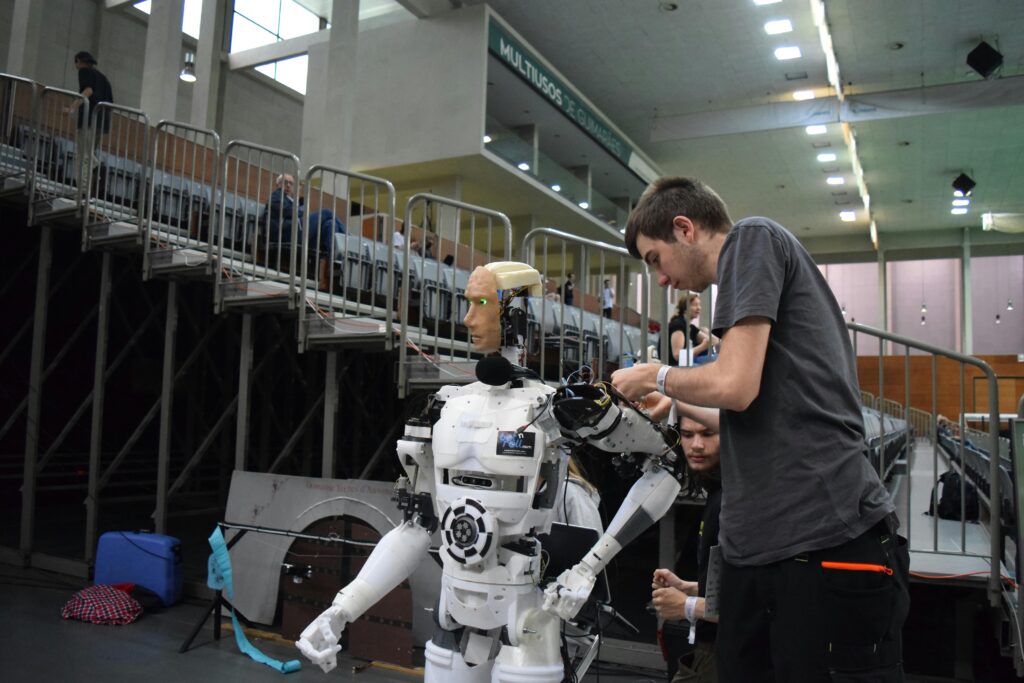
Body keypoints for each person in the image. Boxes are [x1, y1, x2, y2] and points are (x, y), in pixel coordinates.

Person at [611, 176, 908, 682]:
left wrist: (654, 374)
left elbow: (736, 386)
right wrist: (677, 403)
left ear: (684, 229)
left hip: (819, 541)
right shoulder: (748, 288)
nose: (659, 280)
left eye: (654, 259)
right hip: (768, 550)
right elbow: (756, 409)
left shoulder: (752, 238)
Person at [652, 407, 722, 683]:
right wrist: (691, 588)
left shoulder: (733, 503)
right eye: (688, 434)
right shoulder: (719, 495)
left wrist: (688, 605)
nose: (697, 445)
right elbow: (734, 582)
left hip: (728, 655)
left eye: (708, 433)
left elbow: (754, 604)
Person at [72, 51, 113, 186]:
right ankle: (85, 185)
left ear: (79, 61)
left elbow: (88, 91)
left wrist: (73, 107)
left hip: (88, 119)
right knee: (88, 152)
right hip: (101, 121)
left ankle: (82, 185)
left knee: (83, 153)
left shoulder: (84, 71)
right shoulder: (104, 78)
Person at [668, 294, 718, 366]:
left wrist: (709, 334)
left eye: (699, 305)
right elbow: (677, 355)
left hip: (689, 362)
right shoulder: (677, 325)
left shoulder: (690, 327)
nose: (699, 308)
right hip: (675, 365)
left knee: (717, 359)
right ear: (685, 308)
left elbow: (713, 341)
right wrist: (703, 346)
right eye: (695, 305)